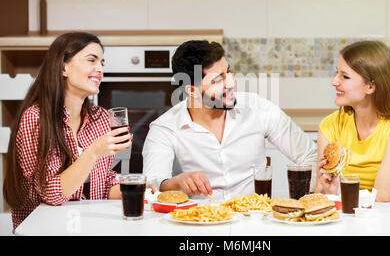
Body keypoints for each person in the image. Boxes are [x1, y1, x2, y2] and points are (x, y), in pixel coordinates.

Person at [142, 40, 317, 200]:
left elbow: (310, 155)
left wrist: (310, 201)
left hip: (254, 221)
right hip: (198, 222)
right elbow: (151, 187)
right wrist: (177, 182)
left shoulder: (257, 108)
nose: (231, 83)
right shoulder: (165, 128)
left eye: (229, 72)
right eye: (218, 79)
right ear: (192, 90)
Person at [3, 32, 132, 231]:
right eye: (92, 60)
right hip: (43, 230)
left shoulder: (101, 118)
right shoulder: (36, 118)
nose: (100, 69)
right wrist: (93, 152)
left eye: (102, 63)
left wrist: (136, 189)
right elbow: (52, 194)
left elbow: (102, 183)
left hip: (86, 226)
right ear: (64, 67)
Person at [315, 40, 390, 201]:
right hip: (353, 217)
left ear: (370, 87)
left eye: (345, 76)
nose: (334, 82)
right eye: (337, 73)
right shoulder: (330, 125)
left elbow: (383, 196)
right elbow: (319, 194)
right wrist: (332, 193)